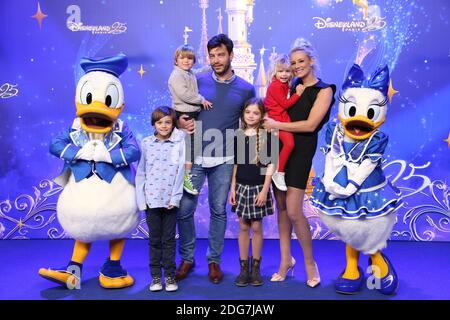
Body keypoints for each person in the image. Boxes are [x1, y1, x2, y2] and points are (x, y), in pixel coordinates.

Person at [176, 34, 256, 284]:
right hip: (194, 158)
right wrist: (179, 120)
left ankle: (214, 261)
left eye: (220, 54)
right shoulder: (196, 80)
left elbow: (249, 125)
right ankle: (187, 258)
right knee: (185, 209)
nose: (216, 59)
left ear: (231, 55)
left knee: (218, 210)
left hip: (225, 160)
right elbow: (180, 108)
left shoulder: (246, 88)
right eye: (211, 55)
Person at [263, 38, 336, 288]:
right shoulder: (290, 85)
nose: (296, 67)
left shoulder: (324, 90)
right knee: (281, 210)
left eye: (301, 61)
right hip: (279, 149)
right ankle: (285, 261)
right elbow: (274, 107)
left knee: (294, 210)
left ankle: (309, 263)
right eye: (293, 63)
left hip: (301, 152)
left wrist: (276, 124)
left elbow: (310, 125)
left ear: (312, 61)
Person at [136, 106, 185, 292]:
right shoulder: (147, 143)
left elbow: (181, 172)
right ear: (153, 124)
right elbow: (141, 173)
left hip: (170, 201)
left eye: (167, 122)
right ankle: (156, 277)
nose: (163, 126)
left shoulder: (179, 144)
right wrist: (142, 200)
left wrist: (176, 197)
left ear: (173, 124)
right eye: (159, 122)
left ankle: (170, 276)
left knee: (169, 239)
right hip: (151, 200)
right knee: (154, 240)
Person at [229, 98, 275, 287]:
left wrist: (265, 190)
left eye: (255, 113)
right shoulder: (238, 135)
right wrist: (232, 188)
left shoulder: (267, 136)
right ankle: (243, 268)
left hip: (258, 187)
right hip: (241, 186)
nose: (251, 116)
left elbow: (270, 164)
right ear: (243, 114)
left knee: (256, 227)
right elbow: (236, 164)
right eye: (248, 112)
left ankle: (255, 268)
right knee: (243, 226)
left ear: (262, 115)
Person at [168, 44, 213, 196]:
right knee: (189, 147)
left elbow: (200, 71)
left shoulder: (189, 73)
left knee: (193, 147)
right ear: (176, 60)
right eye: (182, 58)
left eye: (190, 58)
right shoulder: (176, 76)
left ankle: (185, 175)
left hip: (191, 113)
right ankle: (185, 177)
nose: (186, 61)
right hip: (184, 113)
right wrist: (201, 100)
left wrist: (210, 66)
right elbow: (184, 94)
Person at [264, 54, 305, 191]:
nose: (284, 74)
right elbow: (285, 104)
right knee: (289, 144)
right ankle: (279, 172)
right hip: (277, 119)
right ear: (274, 72)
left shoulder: (284, 84)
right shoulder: (276, 86)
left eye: (287, 71)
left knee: (287, 145)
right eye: (280, 71)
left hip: (280, 117)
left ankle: (279, 171)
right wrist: (298, 94)